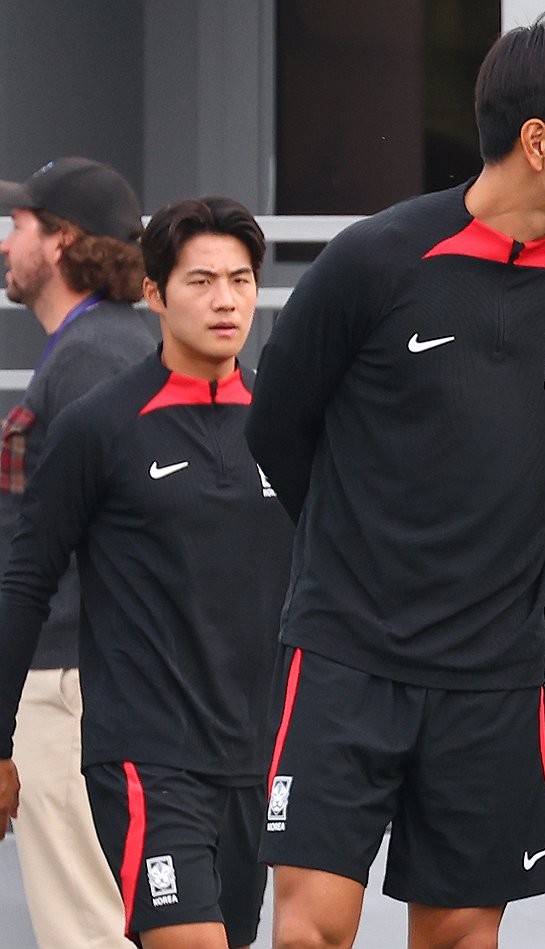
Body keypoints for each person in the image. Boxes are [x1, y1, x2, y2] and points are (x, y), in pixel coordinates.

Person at [245, 18, 545, 949]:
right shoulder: (375, 260)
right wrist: (360, 541)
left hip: (492, 671)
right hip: (345, 650)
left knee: (464, 931)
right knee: (313, 926)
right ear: (539, 141)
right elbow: (277, 425)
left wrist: (486, 551)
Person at [0, 196, 294, 948]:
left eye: (240, 279)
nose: (225, 300)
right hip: (145, 758)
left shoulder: (288, 424)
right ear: (156, 293)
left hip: (259, 758)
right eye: (200, 281)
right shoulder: (98, 427)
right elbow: (25, 586)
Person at [0, 156, 155, 948]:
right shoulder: (107, 345)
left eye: (19, 226)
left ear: (60, 242)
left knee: (86, 929)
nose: (6, 244)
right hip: (89, 674)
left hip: (71, 681)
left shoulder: (93, 357)